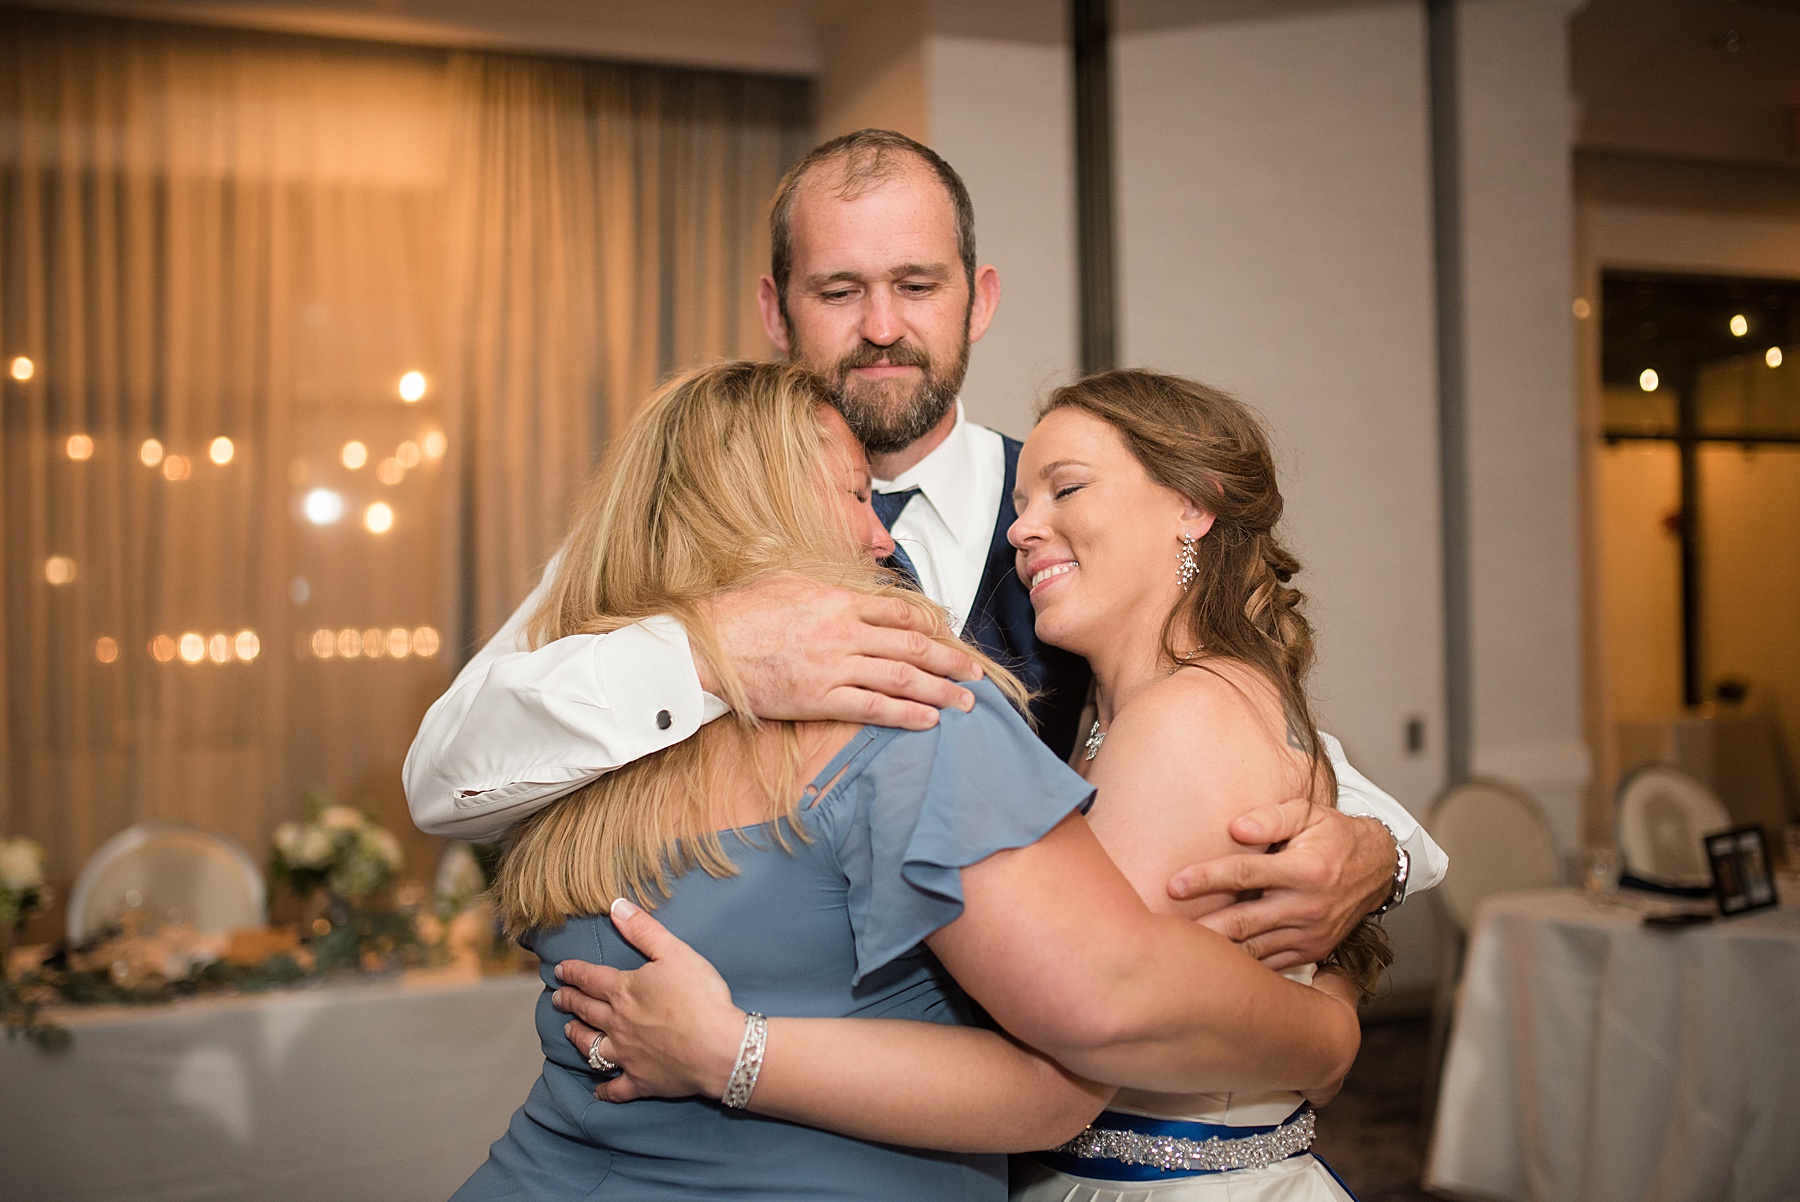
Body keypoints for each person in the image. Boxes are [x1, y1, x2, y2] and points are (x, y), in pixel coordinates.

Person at [404, 128, 1445, 975]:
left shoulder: (1069, 531)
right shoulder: (677, 524)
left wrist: (1385, 850)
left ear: (977, 299)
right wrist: (705, 651)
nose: (884, 326)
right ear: (776, 310)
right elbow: (444, 776)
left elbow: (1257, 727)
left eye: (917, 283)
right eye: (838, 289)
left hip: (1037, 1102)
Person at [451, 359, 1361, 1201]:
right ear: (760, 502)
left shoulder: (578, 736)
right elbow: (1075, 1049)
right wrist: (1328, 1028)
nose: (879, 537)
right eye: (855, 494)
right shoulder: (912, 704)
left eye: (1066, 490)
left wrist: (1383, 862)